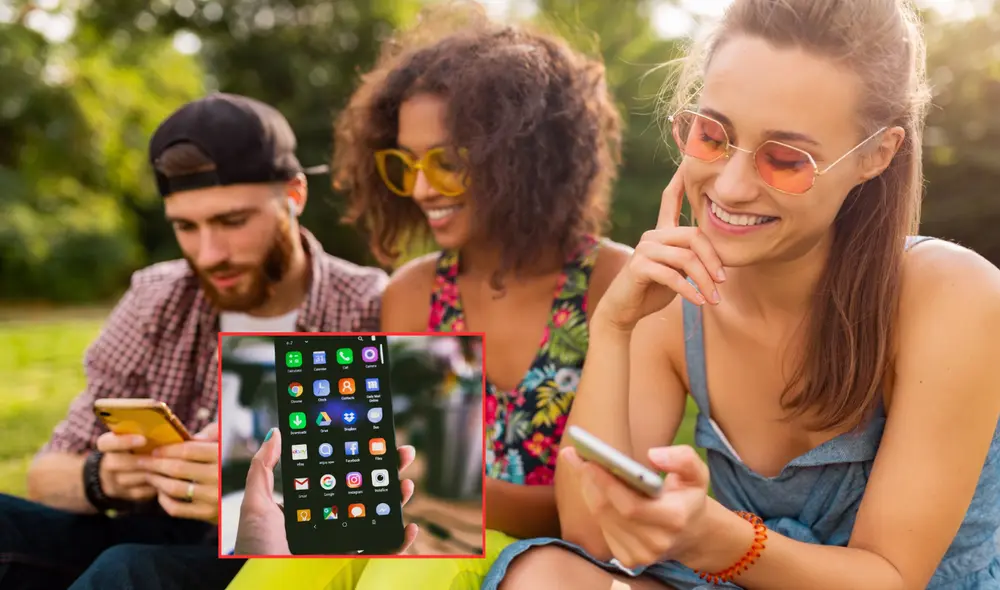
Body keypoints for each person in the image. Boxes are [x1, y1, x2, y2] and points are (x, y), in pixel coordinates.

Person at [483, 0, 1000, 589]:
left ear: (877, 156)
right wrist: (614, 327)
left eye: (785, 159)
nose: (729, 186)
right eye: (713, 135)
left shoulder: (953, 294)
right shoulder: (672, 298)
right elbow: (593, 540)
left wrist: (719, 538)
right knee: (546, 574)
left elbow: (890, 578)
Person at [225, 2, 631, 588]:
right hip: (426, 522)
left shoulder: (612, 285)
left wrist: (426, 489)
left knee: (408, 573)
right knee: (282, 564)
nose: (419, 188)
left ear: (522, 159)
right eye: (404, 164)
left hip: (550, 557)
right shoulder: (414, 291)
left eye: (445, 163)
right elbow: (395, 463)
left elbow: (598, 504)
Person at [0, 93, 387, 590]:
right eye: (186, 226)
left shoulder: (368, 307)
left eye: (232, 222)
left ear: (294, 196)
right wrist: (105, 478)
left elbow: (401, 509)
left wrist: (248, 493)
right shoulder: (157, 296)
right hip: (152, 529)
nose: (209, 254)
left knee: (130, 571)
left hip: (279, 557)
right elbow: (47, 474)